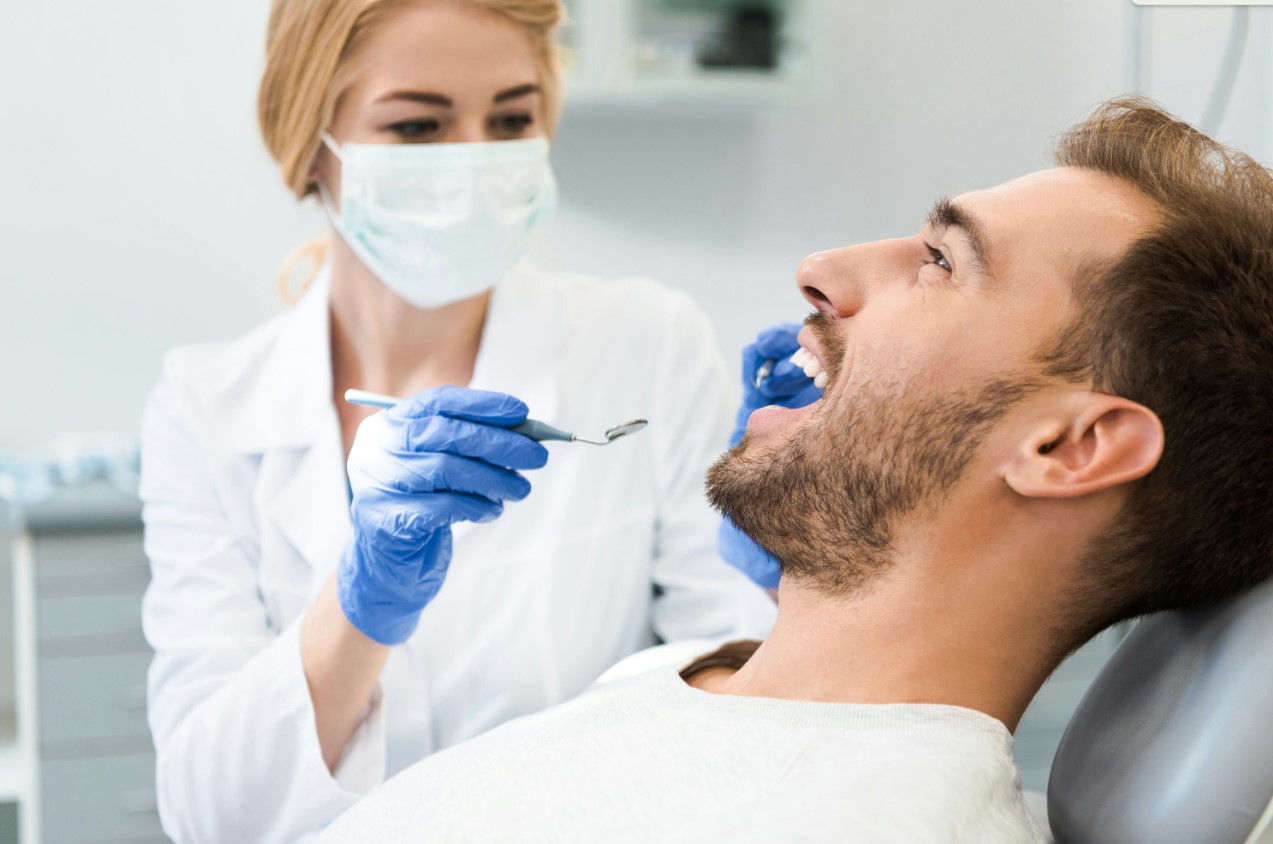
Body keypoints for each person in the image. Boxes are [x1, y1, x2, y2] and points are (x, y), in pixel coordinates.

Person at [315, 97, 1273, 843]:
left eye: (941, 261)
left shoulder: (850, 820)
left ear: (1069, 448)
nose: (822, 270)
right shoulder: (690, 682)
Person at [138, 1, 775, 841]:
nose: (475, 160)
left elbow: (744, 708)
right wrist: (360, 609)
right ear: (313, 147)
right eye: (416, 126)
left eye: (511, 117)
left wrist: (798, 584)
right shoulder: (206, 407)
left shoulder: (647, 345)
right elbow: (209, 814)